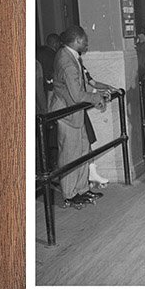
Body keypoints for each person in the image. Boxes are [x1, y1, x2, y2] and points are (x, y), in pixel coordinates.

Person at [47, 25, 108, 210]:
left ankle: (81, 189)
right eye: (85, 39)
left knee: (82, 151)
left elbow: (80, 88)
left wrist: (98, 92)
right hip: (67, 113)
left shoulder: (70, 55)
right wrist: (97, 97)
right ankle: (69, 194)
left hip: (74, 112)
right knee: (70, 154)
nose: (87, 42)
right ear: (77, 40)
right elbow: (77, 95)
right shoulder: (67, 61)